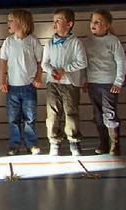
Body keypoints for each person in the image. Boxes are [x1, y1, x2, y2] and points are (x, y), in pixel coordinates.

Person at [42, 8, 87, 156]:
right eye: (53, 21)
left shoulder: (75, 43)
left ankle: (74, 141)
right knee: (53, 114)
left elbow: (82, 62)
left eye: (58, 21)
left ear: (69, 24)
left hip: (70, 84)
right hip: (52, 83)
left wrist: (65, 70)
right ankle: (54, 141)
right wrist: (52, 71)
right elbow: (45, 63)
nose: (54, 24)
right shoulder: (49, 43)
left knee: (71, 113)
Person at [0, 9, 43, 156]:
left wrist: (38, 78)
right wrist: (2, 80)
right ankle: (14, 144)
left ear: (22, 23)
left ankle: (31, 143)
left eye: (11, 20)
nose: (8, 23)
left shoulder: (33, 41)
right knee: (13, 118)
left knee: (30, 117)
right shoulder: (8, 42)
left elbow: (39, 62)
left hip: (29, 86)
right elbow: (3, 62)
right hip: (12, 87)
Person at [82, 9, 124, 156]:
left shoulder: (113, 41)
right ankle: (104, 142)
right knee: (98, 114)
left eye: (98, 22)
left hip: (108, 83)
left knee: (109, 112)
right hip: (93, 83)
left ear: (107, 26)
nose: (93, 24)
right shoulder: (87, 42)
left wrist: (118, 81)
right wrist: (85, 80)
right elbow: (85, 63)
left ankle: (115, 142)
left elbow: (121, 61)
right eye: (92, 21)